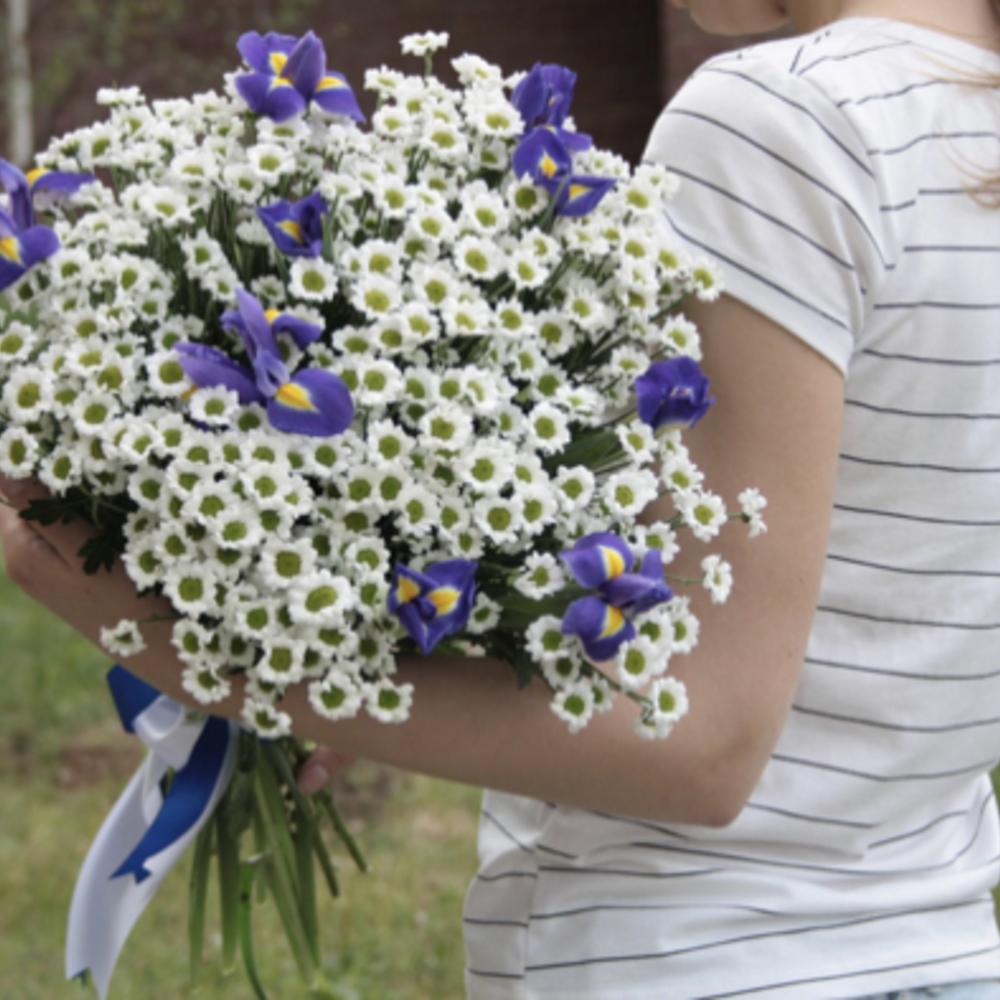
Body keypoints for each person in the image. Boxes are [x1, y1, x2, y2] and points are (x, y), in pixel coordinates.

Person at [2, 0, 1000, 996]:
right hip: (938, 947)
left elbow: (702, 743)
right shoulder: (965, 127)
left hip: (698, 955)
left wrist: (211, 658)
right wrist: (394, 650)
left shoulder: (784, 126)